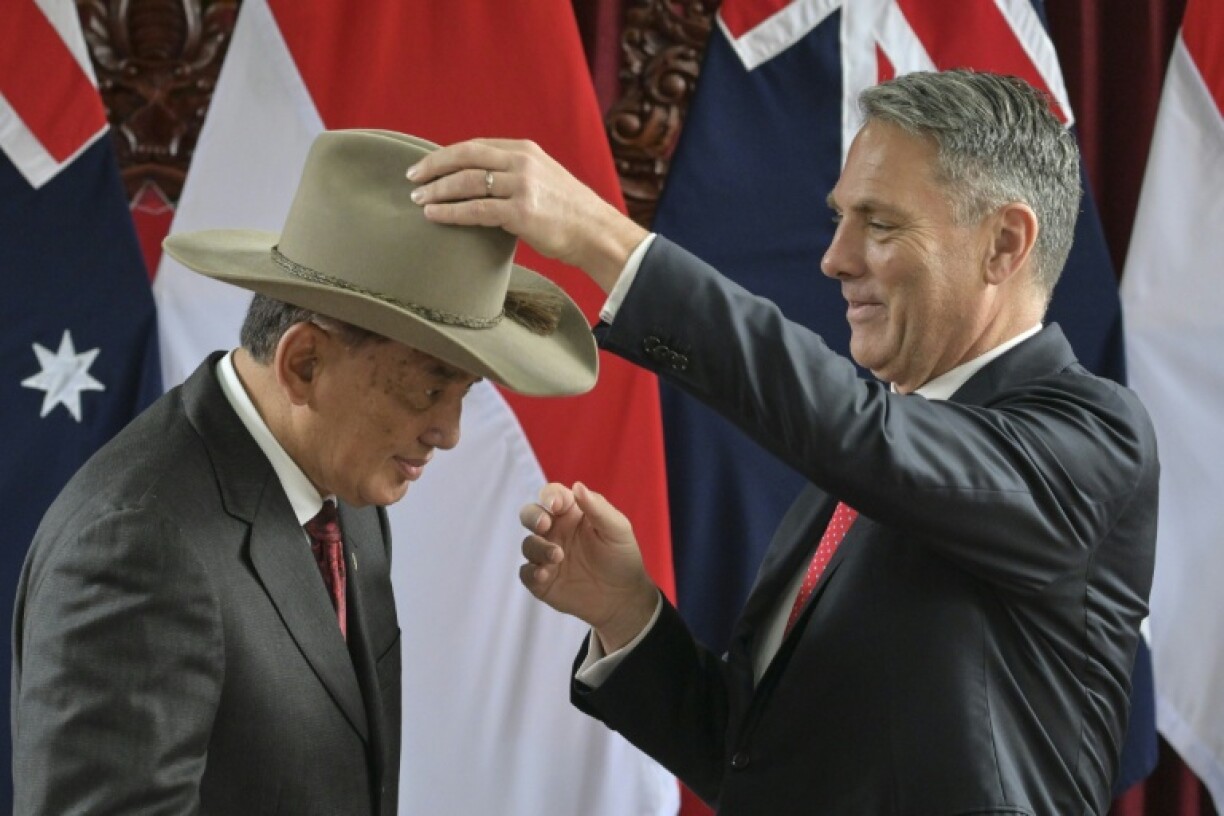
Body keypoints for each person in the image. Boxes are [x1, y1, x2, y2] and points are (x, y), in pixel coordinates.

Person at [406, 70, 1160, 815]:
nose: (835, 258)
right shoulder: (860, 472)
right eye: (839, 217)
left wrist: (606, 240)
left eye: (881, 223)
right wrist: (629, 614)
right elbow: (751, 762)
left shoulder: (1092, 440)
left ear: (1004, 244)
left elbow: (861, 433)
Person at [10, 129, 597, 815]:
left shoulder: (343, 490)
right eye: (428, 389)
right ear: (304, 365)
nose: (449, 432)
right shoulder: (137, 547)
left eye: (464, 394)